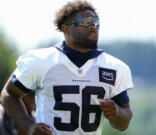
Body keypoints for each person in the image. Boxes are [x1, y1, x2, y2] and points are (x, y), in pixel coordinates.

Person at [0, 0, 134, 135]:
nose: (93, 26)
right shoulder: (41, 61)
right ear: (66, 28)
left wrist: (117, 112)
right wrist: (29, 125)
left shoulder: (114, 67)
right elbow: (8, 94)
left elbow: (123, 124)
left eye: (96, 22)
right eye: (86, 22)